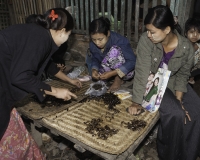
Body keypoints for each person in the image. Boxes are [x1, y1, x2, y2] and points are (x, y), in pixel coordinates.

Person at [0, 8, 82, 159]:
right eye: (69, 35)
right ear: (62, 31)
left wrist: (69, 80)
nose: (67, 39)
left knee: (15, 130)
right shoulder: (39, 38)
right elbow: (20, 77)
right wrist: (56, 91)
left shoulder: (40, 35)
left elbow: (48, 65)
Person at [127, 5, 200, 160]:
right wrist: (136, 102)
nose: (148, 35)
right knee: (175, 114)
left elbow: (182, 75)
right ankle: (169, 155)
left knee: (196, 110)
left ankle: (188, 155)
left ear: (167, 30)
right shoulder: (146, 41)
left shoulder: (186, 47)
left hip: (174, 81)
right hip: (153, 81)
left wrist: (179, 99)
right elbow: (141, 71)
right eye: (147, 30)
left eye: (152, 31)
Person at [88, 17, 136, 91]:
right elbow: (95, 58)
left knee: (114, 51)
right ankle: (111, 77)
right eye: (94, 39)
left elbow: (132, 61)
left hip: (126, 72)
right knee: (96, 75)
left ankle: (118, 79)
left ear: (108, 33)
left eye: (100, 39)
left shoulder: (120, 40)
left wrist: (113, 73)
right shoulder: (92, 44)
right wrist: (94, 69)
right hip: (106, 71)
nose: (97, 43)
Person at [184, 17, 200, 84]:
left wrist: (192, 74)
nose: (195, 35)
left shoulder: (199, 49)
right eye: (192, 32)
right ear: (185, 33)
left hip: (189, 77)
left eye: (198, 32)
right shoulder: (180, 46)